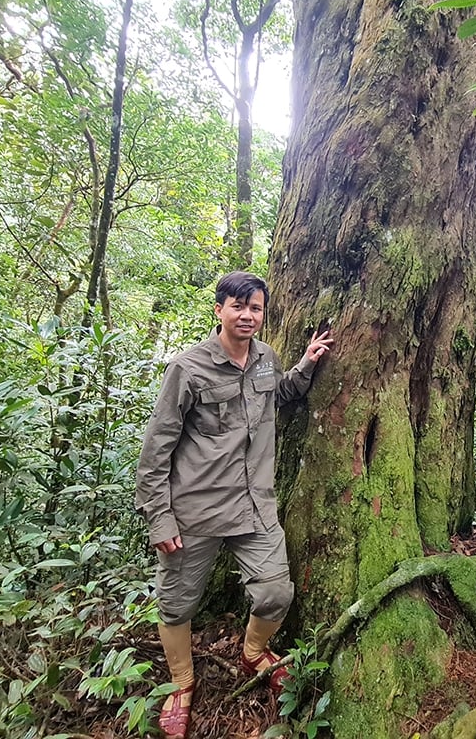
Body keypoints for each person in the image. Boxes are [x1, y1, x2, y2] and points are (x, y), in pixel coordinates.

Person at [135, 271, 333, 739]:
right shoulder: (189, 368)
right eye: (238, 306)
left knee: (275, 593)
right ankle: (182, 686)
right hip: (194, 511)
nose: (248, 316)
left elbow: (278, 395)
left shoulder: (266, 358)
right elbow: (156, 448)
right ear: (219, 309)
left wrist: (304, 364)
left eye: (256, 308)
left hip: (254, 505)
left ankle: (252, 652)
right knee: (177, 604)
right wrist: (159, 517)